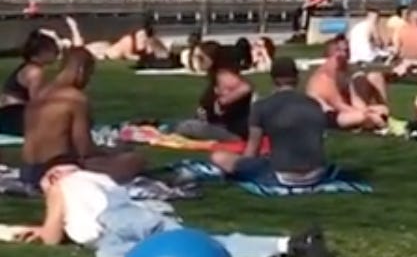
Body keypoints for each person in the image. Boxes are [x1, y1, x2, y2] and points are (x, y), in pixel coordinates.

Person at [12, 163, 330, 257]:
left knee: (113, 256)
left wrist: (39, 229)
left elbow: (51, 236)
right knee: (197, 244)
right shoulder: (96, 178)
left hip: (116, 227)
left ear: (52, 177)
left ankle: (289, 245)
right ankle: (286, 245)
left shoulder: (60, 186)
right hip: (139, 214)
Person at [21, 47, 147, 186]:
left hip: (29, 171)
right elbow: (84, 149)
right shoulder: (76, 99)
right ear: (81, 70)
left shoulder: (40, 94)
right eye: (89, 74)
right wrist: (111, 151)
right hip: (58, 171)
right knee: (135, 160)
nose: (88, 80)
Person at [212, 57, 331, 189]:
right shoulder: (314, 104)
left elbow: (252, 152)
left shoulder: (261, 106)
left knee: (219, 157)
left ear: (273, 79)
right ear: (297, 78)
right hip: (317, 173)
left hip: (283, 176)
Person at [305, 36, 389, 131]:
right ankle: (377, 124)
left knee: (381, 107)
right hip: (328, 116)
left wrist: (367, 110)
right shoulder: (325, 77)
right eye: (342, 51)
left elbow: (353, 98)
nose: (346, 55)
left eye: (347, 50)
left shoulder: (343, 70)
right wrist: (367, 113)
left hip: (342, 111)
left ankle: (373, 121)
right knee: (367, 117)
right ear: (333, 53)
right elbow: (339, 105)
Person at [174, 55, 255, 143]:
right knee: (187, 124)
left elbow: (224, 104)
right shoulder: (216, 91)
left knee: (186, 126)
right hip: (228, 128)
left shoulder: (242, 89)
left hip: (233, 132)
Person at [0, 31, 59, 136]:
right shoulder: (34, 72)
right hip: (13, 117)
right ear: (43, 52)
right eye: (54, 50)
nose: (57, 54)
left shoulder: (26, 67)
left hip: (7, 115)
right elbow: (37, 102)